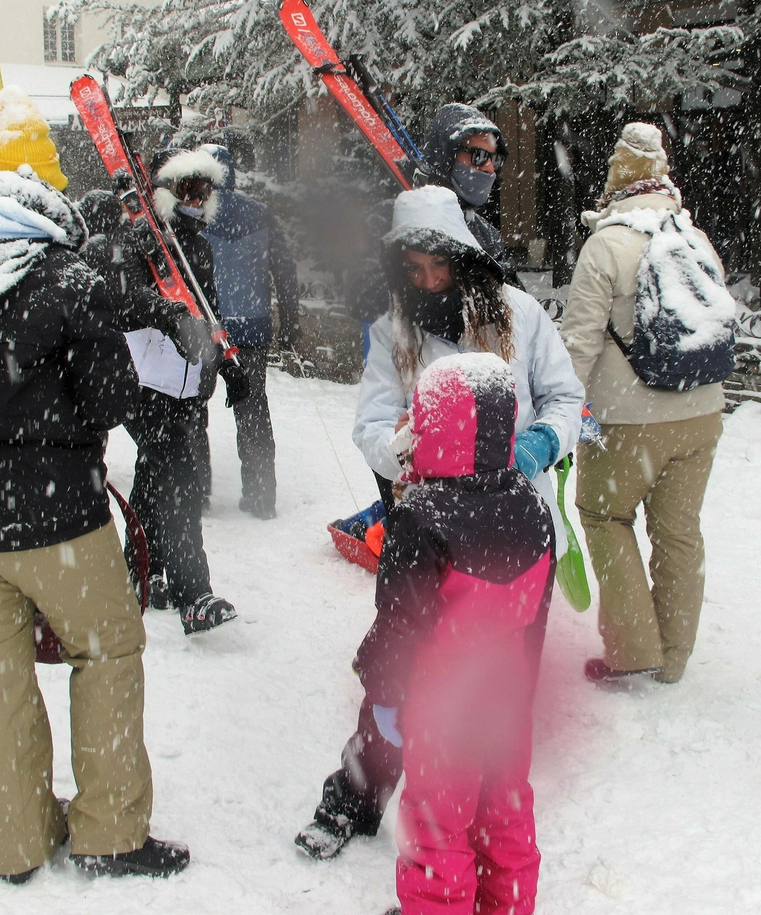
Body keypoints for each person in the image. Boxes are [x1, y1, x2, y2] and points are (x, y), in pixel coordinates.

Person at [0, 87, 188, 883]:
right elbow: (116, 400)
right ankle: (109, 832)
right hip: (51, 516)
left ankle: (17, 841)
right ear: (45, 183)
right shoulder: (63, 280)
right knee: (107, 650)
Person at [297, 185, 583, 860]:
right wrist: (410, 448)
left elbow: (567, 396)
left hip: (516, 535)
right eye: (414, 270)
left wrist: (540, 441)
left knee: (500, 691)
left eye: (440, 267)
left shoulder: (519, 315)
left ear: (465, 260)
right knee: (401, 668)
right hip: (430, 536)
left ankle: (478, 835)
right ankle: (358, 795)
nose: (428, 281)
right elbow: (371, 424)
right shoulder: (393, 332)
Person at [356, 354, 555, 914]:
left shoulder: (422, 517)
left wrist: (387, 697)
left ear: (437, 425)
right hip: (506, 703)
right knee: (506, 816)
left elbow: (398, 624)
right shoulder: (533, 508)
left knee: (436, 830)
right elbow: (537, 619)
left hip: (442, 707)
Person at [558, 123, 731, 684]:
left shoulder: (606, 244)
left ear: (616, 177)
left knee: (605, 516)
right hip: (702, 414)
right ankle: (675, 655)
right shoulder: (695, 238)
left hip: (626, 420)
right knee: (680, 531)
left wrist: (558, 412)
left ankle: (632, 651)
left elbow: (579, 343)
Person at [116, 147, 245, 631]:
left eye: (204, 191)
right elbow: (127, 300)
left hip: (191, 387)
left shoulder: (202, 247)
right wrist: (170, 316)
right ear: (167, 194)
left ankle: (139, 576)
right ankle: (196, 593)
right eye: (187, 191)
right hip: (149, 385)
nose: (196, 200)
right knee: (181, 486)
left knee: (154, 482)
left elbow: (209, 315)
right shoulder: (141, 242)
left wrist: (227, 364)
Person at [347, 103, 522, 330]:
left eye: (495, 160)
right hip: (402, 359)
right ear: (447, 155)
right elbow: (362, 299)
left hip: (470, 362)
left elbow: (516, 308)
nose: (489, 168)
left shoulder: (486, 234)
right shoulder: (392, 217)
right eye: (478, 156)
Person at [201, 143, 301, 519]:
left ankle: (196, 493)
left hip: (206, 328)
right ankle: (261, 498)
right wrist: (291, 319)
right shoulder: (261, 215)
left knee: (193, 413)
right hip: (253, 329)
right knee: (253, 412)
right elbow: (285, 271)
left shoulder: (192, 216)